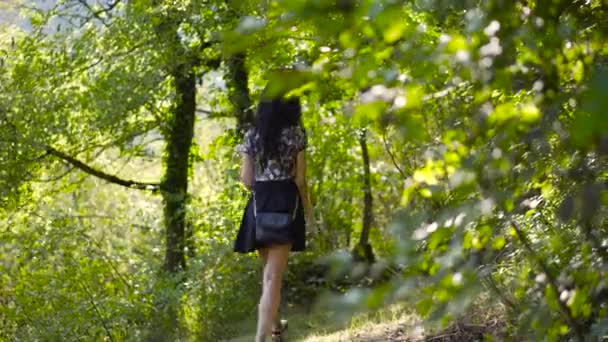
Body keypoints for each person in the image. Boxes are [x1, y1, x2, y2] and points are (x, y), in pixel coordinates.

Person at [234, 93, 313, 342]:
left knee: (269, 276)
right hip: (285, 203)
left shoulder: (251, 135)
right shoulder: (296, 134)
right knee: (272, 278)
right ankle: (261, 338)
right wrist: (309, 214)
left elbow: (246, 181)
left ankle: (277, 329)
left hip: (259, 206)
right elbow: (300, 180)